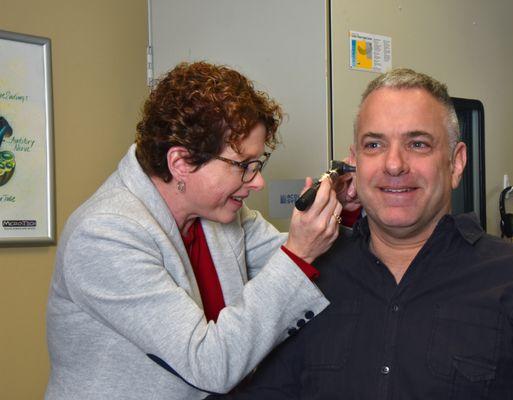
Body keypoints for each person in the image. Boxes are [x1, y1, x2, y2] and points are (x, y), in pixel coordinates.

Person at [209, 68, 513, 399]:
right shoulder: (311, 280)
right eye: (375, 145)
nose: (394, 164)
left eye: (417, 144)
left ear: (456, 163)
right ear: (355, 162)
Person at [44, 61, 344, 400]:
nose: (257, 181)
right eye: (243, 165)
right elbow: (209, 364)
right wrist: (299, 252)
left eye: (257, 165)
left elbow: (303, 267)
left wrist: (344, 212)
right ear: (181, 163)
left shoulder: (217, 213)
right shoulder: (104, 235)